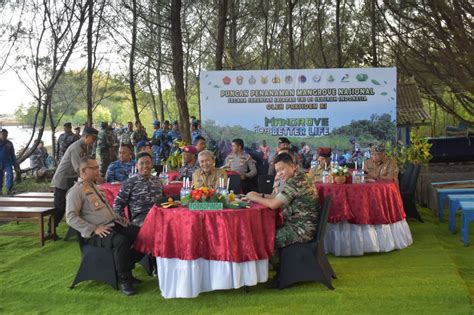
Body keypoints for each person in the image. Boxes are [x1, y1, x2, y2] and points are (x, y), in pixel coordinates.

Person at [65, 157, 142, 296]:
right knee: (121, 241)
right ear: (83, 171)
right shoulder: (76, 191)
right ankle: (125, 280)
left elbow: (107, 210)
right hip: (95, 233)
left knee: (142, 234)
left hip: (112, 224)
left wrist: (120, 218)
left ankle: (125, 265)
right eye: (93, 168)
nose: (97, 170)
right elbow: (70, 217)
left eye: (97, 167)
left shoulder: (94, 186)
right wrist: (93, 229)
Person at [245, 153, 320, 283]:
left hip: (302, 229)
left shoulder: (296, 181)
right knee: (264, 232)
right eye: (277, 170)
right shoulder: (297, 177)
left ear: (293, 166)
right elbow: (277, 198)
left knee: (268, 238)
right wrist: (260, 194)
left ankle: (282, 275)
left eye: (282, 169)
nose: (279, 173)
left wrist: (254, 197)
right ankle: (279, 271)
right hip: (297, 224)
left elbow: (274, 205)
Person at [50, 127, 100, 237]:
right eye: (93, 138)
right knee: (60, 207)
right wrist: (94, 178)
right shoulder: (77, 147)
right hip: (63, 180)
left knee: (80, 203)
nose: (94, 141)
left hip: (71, 180)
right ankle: (50, 230)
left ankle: (79, 229)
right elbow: (80, 169)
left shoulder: (84, 146)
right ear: (86, 136)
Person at [114, 152, 164, 227]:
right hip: (140, 222)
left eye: (148, 163)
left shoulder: (157, 181)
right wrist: (122, 219)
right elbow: (117, 204)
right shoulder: (130, 182)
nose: (145, 166)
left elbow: (163, 201)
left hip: (159, 219)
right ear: (136, 166)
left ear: (152, 164)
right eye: (141, 163)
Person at [0, 129, 17, 195]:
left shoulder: (9, 143)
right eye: (3, 134)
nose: (4, 135)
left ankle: (9, 189)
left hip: (8, 162)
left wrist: (15, 164)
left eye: (6, 134)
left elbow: (12, 154)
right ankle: (0, 189)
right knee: (0, 176)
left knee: (10, 174)